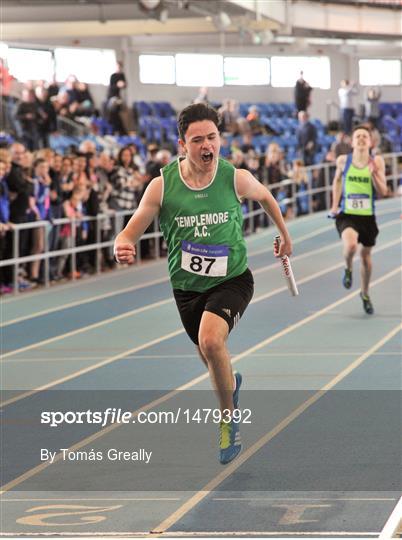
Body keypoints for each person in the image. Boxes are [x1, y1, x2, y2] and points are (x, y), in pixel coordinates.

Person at [114, 103, 292, 465]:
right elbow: (131, 230)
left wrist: (284, 236)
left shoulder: (234, 177)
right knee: (210, 357)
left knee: (211, 340)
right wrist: (123, 244)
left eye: (212, 137)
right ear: (183, 144)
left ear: (220, 140)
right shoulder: (162, 186)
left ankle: (228, 422)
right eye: (198, 140)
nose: (207, 145)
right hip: (187, 289)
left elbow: (267, 198)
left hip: (233, 279)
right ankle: (231, 384)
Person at [330, 125, 387, 315]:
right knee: (351, 246)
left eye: (365, 136)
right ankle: (347, 268)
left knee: (366, 258)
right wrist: (334, 205)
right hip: (348, 215)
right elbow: (337, 181)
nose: (361, 139)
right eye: (358, 136)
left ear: (370, 142)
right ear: (353, 142)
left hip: (367, 217)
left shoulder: (376, 161)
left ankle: (365, 293)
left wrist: (374, 174)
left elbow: (384, 191)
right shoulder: (343, 160)